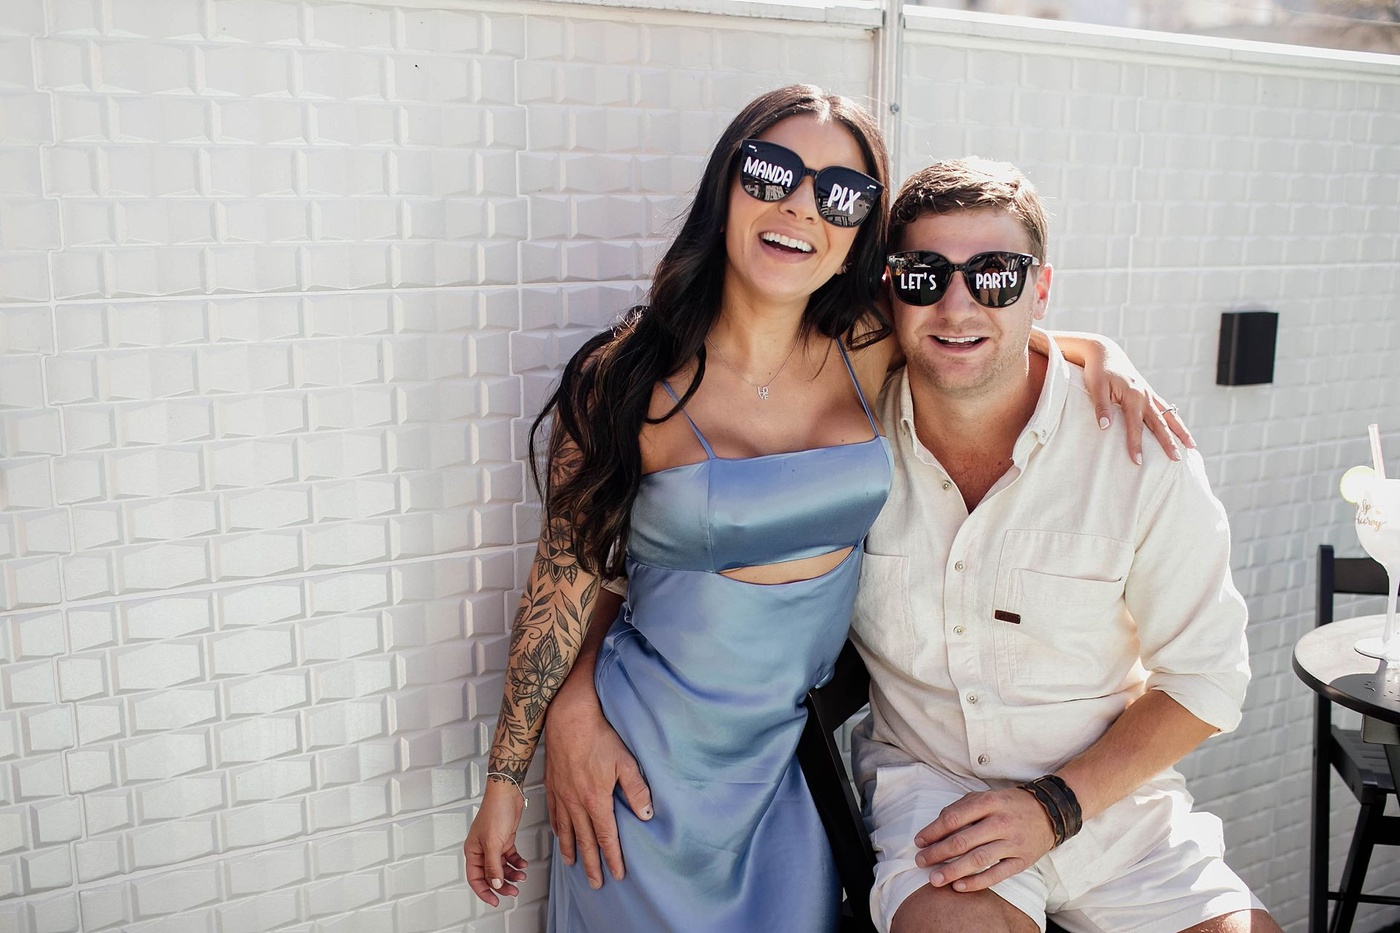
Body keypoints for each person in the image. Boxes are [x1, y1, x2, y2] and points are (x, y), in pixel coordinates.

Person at [465, 85, 1187, 933]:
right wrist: (510, 776)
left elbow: (970, 325)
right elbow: (561, 587)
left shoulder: (868, 350)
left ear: (858, 235)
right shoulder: (623, 383)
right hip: (637, 777)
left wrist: (1099, 351)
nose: (802, 207)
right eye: (773, 171)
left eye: (842, 193)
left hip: (791, 773)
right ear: (727, 185)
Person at [845, 158, 1282, 933]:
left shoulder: (1139, 453)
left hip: (1111, 801)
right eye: (925, 275)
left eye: (995, 275)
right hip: (936, 794)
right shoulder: (845, 434)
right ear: (890, 288)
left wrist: (1055, 805)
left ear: (1039, 289)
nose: (957, 304)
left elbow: (1207, 678)